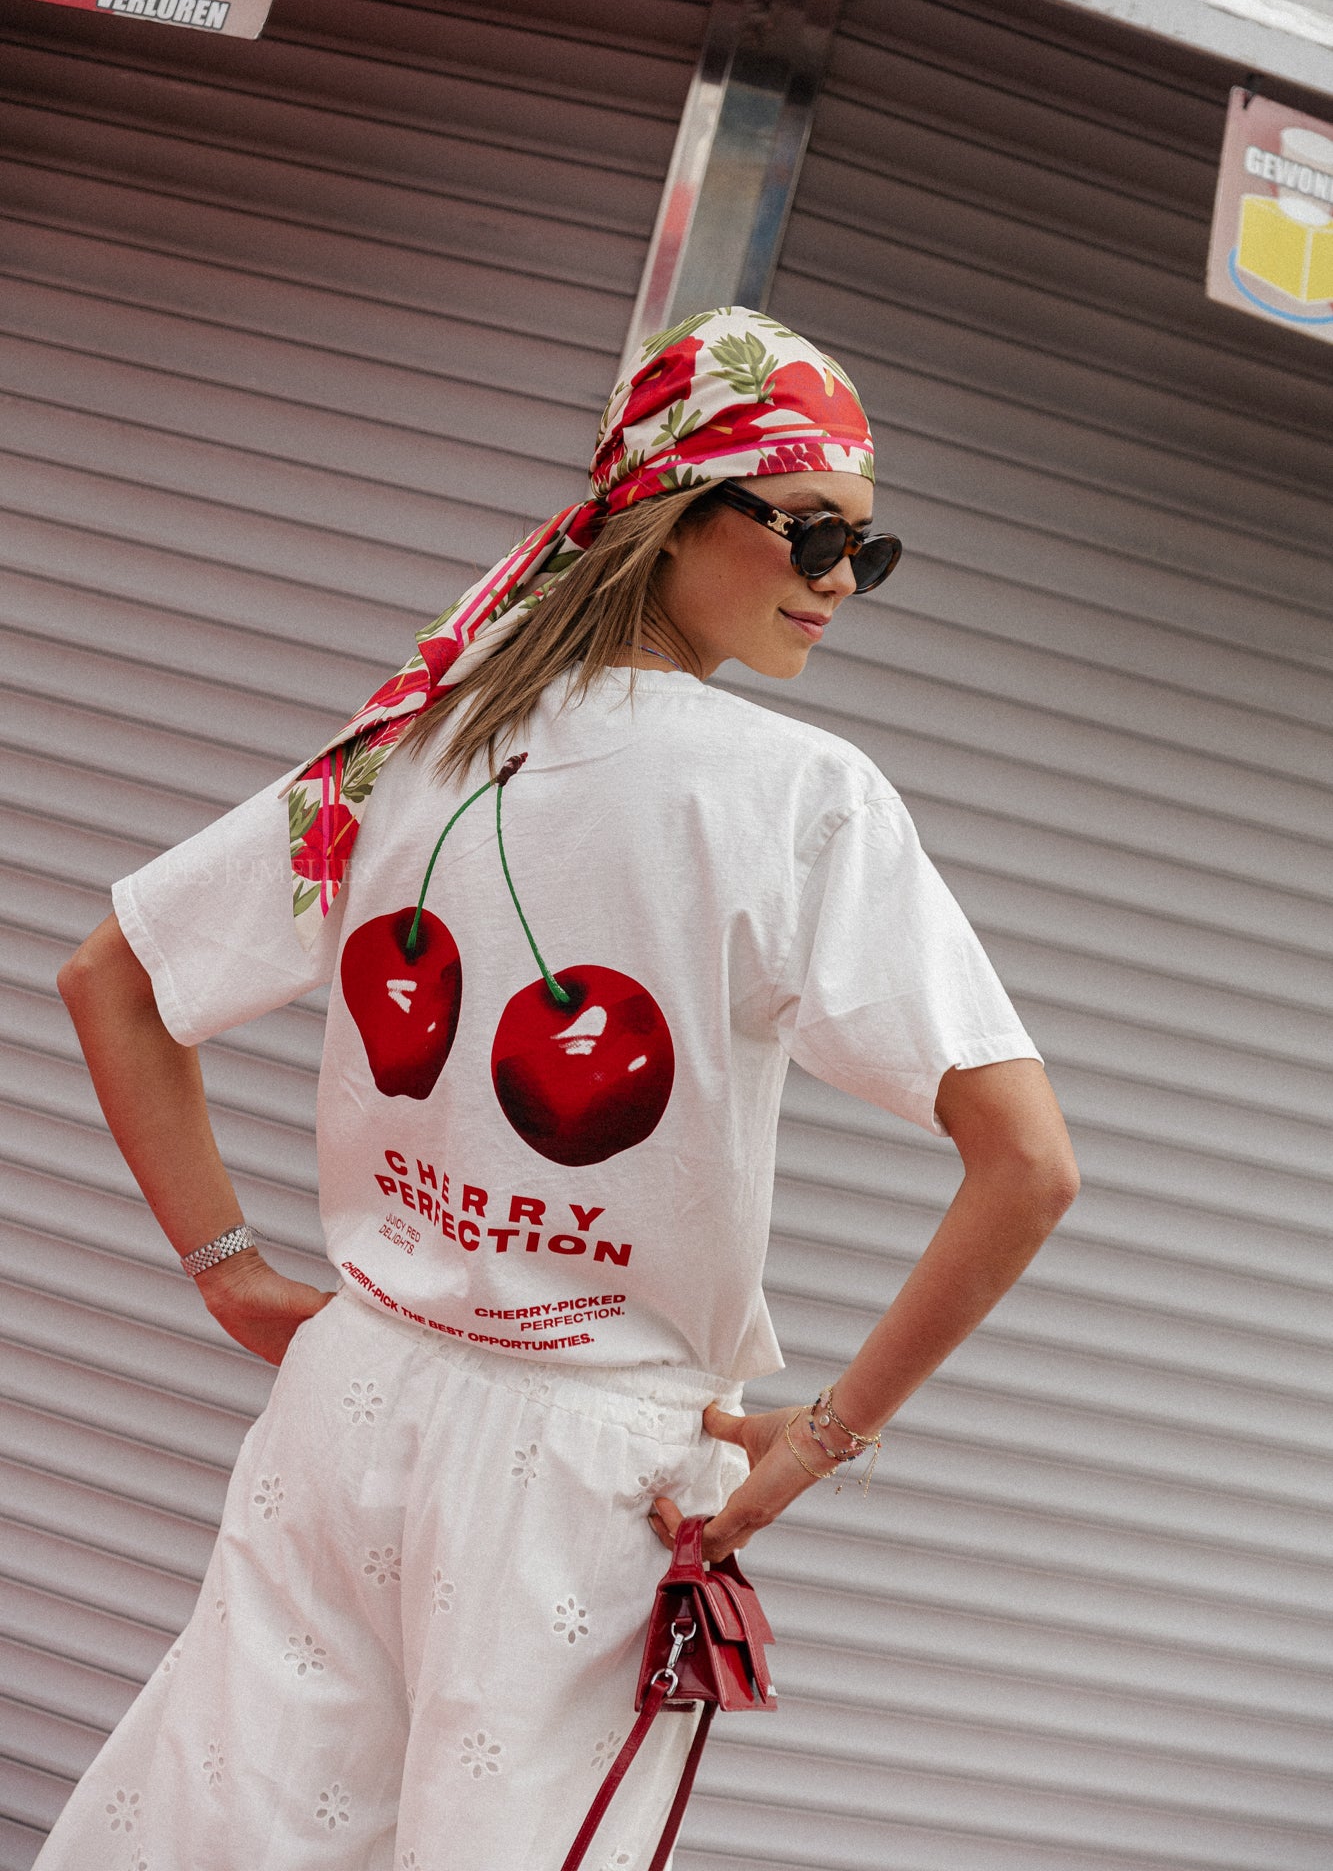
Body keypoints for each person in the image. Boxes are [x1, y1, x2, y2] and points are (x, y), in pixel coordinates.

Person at [43, 307, 1079, 1871]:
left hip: (348, 1403)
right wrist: (824, 1440)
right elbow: (1027, 1162)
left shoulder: (419, 744)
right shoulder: (799, 800)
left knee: (219, 1829)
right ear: (671, 510)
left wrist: (236, 1277)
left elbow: (113, 978)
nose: (837, 584)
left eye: (869, 550)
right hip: (589, 1481)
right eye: (808, 531)